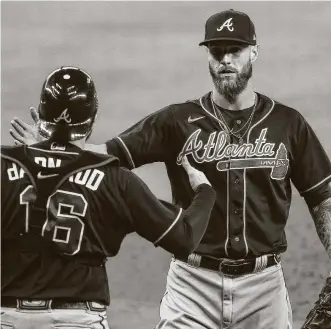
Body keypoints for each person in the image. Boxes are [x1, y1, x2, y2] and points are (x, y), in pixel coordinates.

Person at [10, 9, 331, 329]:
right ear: (207, 56)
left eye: (235, 49)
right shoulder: (175, 120)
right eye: (217, 51)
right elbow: (106, 153)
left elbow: (320, 196)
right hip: (192, 283)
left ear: (254, 51)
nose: (226, 60)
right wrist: (53, 145)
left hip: (264, 287)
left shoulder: (288, 124)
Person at [2, 66, 217, 329]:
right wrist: (206, 193)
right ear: (93, 117)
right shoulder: (114, 180)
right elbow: (184, 238)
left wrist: (41, 154)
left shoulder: (4, 165)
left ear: (42, 112)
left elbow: (46, 176)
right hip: (77, 321)